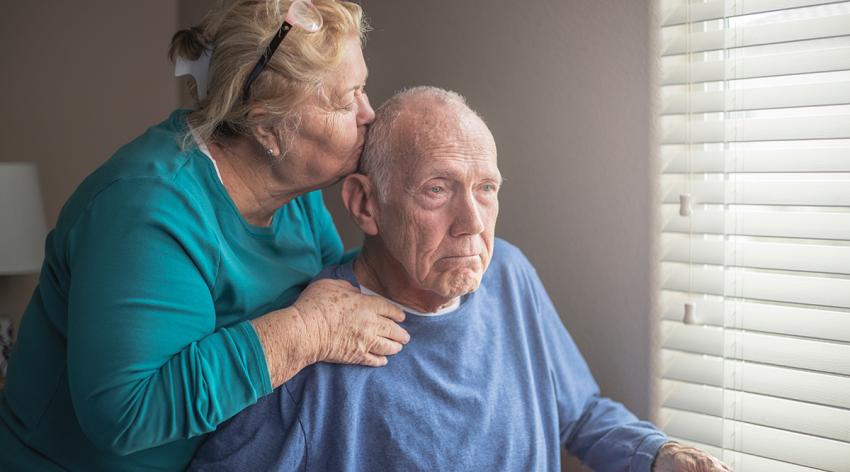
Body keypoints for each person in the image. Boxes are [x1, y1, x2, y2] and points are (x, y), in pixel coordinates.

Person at [189, 86, 732, 472]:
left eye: (486, 188)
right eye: (437, 189)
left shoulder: (510, 275)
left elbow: (580, 411)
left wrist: (657, 454)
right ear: (365, 204)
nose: (473, 223)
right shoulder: (313, 334)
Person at [0, 1, 411, 470]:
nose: (369, 114)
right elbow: (126, 414)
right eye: (346, 99)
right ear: (267, 128)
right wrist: (304, 332)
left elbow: (335, 300)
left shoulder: (295, 194)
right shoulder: (147, 209)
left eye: (364, 88)